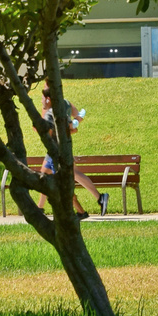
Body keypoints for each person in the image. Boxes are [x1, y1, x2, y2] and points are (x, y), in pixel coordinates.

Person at [37, 85, 109, 218]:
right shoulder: (66, 103)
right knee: (46, 175)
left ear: (48, 97)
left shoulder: (49, 110)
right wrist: (72, 126)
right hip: (63, 146)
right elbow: (75, 120)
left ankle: (95, 201)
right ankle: (40, 208)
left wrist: (66, 128)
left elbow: (46, 128)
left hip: (56, 148)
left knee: (65, 177)